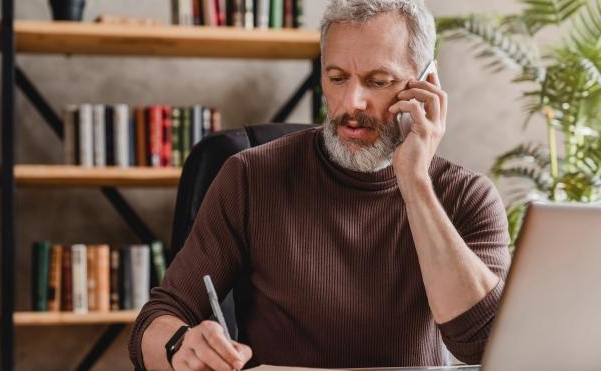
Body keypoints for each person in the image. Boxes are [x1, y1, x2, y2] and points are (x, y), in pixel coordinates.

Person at [129, 1, 511, 370]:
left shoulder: (468, 196)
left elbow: (482, 342)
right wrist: (181, 346)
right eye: (337, 77)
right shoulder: (250, 176)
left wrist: (414, 182)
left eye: (378, 81)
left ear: (426, 84)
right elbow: (157, 319)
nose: (351, 102)